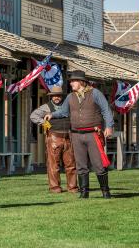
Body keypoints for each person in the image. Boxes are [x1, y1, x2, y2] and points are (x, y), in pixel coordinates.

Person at [44, 70, 113, 199]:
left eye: (73, 81)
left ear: (81, 82)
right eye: (71, 82)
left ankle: (105, 192)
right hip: (76, 135)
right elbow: (64, 112)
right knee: (80, 165)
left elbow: (106, 110)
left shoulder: (96, 93)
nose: (71, 84)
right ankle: (84, 192)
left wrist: (109, 126)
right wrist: (52, 115)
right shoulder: (70, 97)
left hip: (93, 134)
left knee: (98, 164)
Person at [30, 85, 77, 193]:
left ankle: (73, 187)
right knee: (53, 165)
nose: (57, 97)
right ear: (51, 96)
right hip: (53, 138)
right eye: (55, 96)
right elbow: (33, 116)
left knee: (71, 164)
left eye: (59, 96)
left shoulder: (68, 106)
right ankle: (55, 188)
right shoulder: (46, 107)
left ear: (62, 96)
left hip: (68, 137)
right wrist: (45, 124)